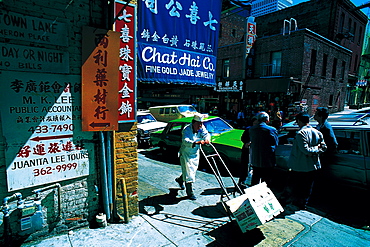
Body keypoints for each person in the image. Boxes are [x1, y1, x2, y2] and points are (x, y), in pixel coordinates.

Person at [286, 112, 327, 209]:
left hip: (300, 166)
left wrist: (314, 149)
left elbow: (306, 150)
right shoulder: (317, 132)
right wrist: (317, 148)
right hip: (313, 165)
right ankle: (303, 204)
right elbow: (324, 147)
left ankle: (297, 204)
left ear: (299, 121)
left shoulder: (301, 133)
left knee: (298, 187)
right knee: (307, 187)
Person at [175, 113, 210, 200]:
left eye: (201, 124)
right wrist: (195, 143)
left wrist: (207, 140)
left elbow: (206, 134)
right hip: (186, 153)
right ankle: (189, 192)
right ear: (193, 123)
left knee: (191, 171)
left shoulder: (201, 128)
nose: (200, 126)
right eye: (198, 124)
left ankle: (180, 179)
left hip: (195, 153)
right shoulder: (186, 129)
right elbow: (185, 141)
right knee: (189, 173)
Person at [249, 112, 279, 187]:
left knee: (255, 178)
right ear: (267, 121)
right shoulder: (271, 130)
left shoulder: (252, 129)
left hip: (256, 158)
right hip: (267, 159)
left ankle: (253, 195)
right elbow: (275, 143)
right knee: (266, 181)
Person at [239, 116, 258, 188]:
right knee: (244, 167)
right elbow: (243, 138)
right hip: (247, 152)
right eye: (254, 123)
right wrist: (247, 143)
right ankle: (242, 182)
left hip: (254, 152)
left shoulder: (258, 130)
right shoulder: (248, 130)